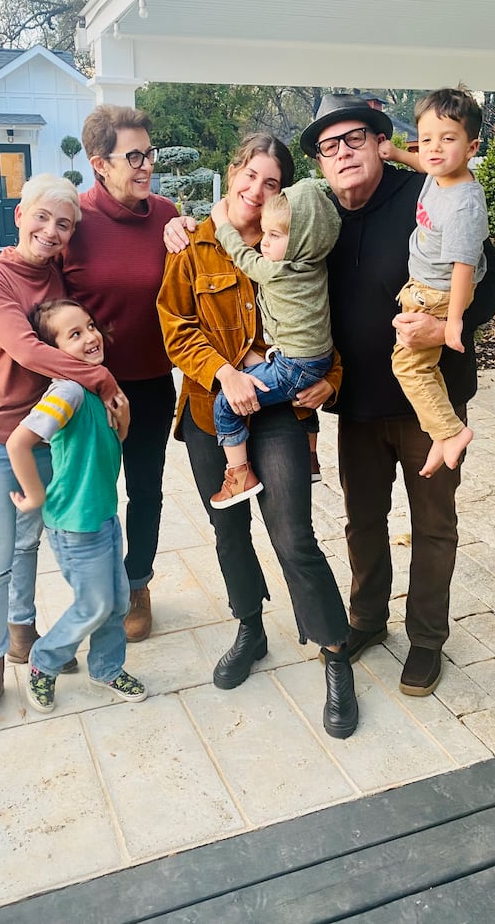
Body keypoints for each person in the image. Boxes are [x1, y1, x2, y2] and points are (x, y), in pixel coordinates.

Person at [297, 93, 495, 697]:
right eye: (328, 146)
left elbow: (486, 277)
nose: (342, 153)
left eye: (354, 138)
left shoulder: (425, 192)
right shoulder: (321, 218)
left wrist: (446, 329)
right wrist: (178, 224)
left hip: (430, 404)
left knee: (433, 524)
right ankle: (367, 619)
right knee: (363, 520)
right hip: (357, 406)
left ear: (381, 141)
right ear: (319, 161)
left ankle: (426, 640)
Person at [157, 133, 358, 740]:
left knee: (294, 533)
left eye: (272, 183)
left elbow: (333, 329)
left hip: (281, 410)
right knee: (227, 528)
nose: (256, 191)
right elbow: (174, 322)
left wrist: (332, 382)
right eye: (249, 176)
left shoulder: (303, 244)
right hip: (211, 405)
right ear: (233, 171)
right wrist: (224, 373)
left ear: (285, 193)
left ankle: (334, 652)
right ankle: (250, 627)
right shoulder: (193, 245)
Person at [0, 105, 177, 645]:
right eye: (134, 155)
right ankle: (84, 598)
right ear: (100, 164)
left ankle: (137, 582)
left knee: (145, 489)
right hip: (79, 387)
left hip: (147, 382)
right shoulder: (72, 218)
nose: (146, 164)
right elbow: (29, 263)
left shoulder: (167, 214)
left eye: (150, 153)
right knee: (87, 493)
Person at [0, 174, 126, 737]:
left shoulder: (55, 274)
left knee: (30, 541)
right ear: (20, 212)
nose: (51, 231)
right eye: (43, 217)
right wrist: (102, 379)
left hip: (42, 432)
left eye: (65, 224)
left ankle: (23, 635)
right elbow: (26, 347)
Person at [6, 300, 147, 713]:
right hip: (74, 524)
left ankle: (105, 667)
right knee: (95, 605)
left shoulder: (95, 387)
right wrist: (34, 496)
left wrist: (124, 416)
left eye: (89, 326)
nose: (90, 337)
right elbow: (20, 441)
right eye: (74, 334)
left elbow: (111, 443)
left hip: (102, 515)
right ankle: (43, 660)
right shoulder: (67, 392)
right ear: (53, 352)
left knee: (118, 602)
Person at [209, 178, 340, 508]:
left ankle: (238, 474)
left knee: (226, 403)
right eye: (264, 233)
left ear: (300, 240)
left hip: (294, 365)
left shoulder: (278, 270)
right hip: (315, 359)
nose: (264, 244)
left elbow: (241, 255)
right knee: (264, 375)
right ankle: (310, 458)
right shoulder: (315, 262)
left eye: (275, 236)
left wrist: (222, 222)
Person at [378, 88, 488, 477]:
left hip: (441, 291)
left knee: (409, 365)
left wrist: (453, 320)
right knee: (422, 365)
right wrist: (399, 155)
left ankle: (450, 433)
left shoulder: (463, 204)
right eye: (426, 140)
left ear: (472, 146)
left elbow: (463, 266)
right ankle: (442, 435)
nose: (434, 149)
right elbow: (424, 165)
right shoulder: (437, 172)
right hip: (428, 281)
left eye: (447, 139)